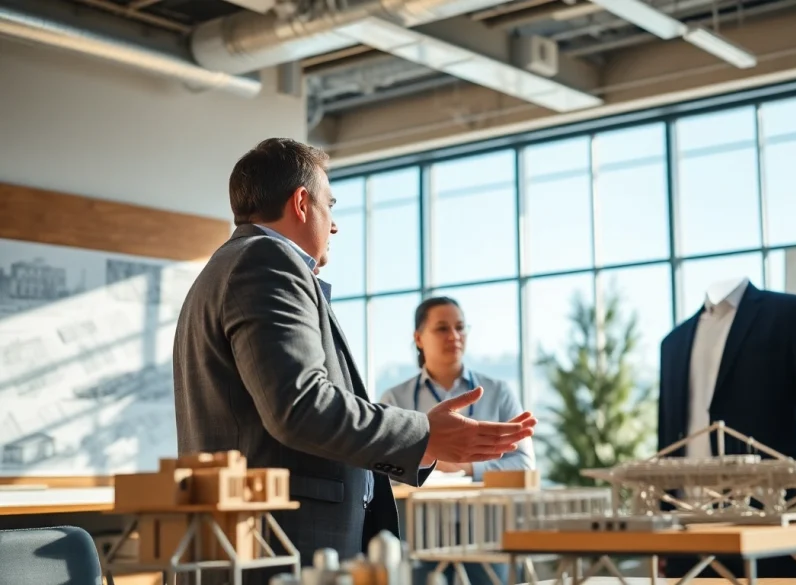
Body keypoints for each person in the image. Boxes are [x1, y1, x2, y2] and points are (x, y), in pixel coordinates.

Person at [172, 138, 536, 580]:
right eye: (331, 204)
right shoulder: (266, 262)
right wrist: (426, 435)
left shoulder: (225, 266)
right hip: (286, 541)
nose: (336, 225)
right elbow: (299, 407)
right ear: (302, 203)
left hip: (266, 538)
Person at [658, 276, 796, 578]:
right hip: (687, 526)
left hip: (771, 520)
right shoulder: (673, 341)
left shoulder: (789, 314)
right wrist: (661, 519)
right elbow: (667, 434)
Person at [379, 296, 535, 585]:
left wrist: (462, 467)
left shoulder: (498, 391)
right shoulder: (395, 399)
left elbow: (524, 465)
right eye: (442, 328)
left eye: (460, 327)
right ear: (418, 338)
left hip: (487, 532)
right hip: (419, 535)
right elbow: (381, 471)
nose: (454, 336)